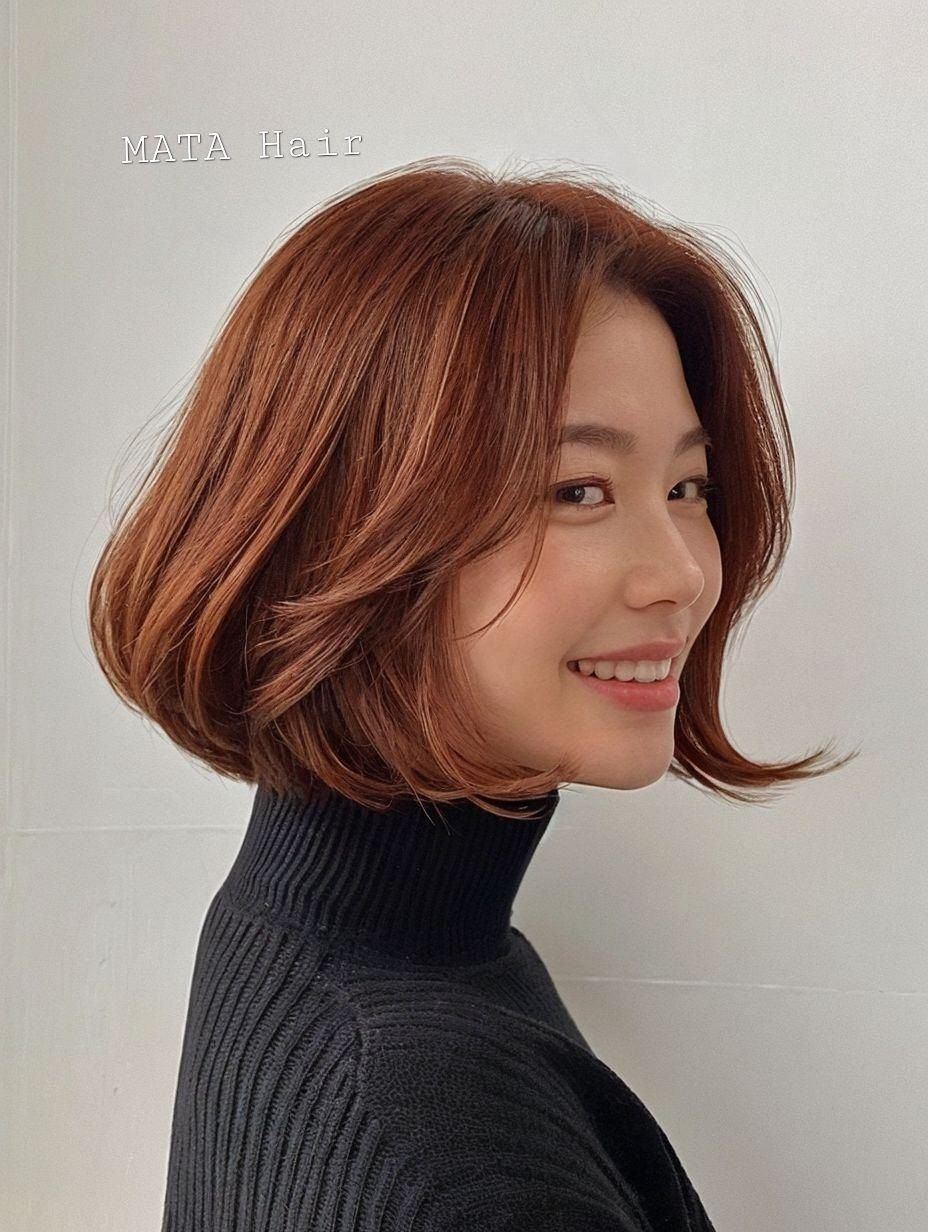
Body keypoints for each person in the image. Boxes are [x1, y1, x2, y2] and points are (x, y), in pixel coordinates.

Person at [88, 155, 858, 1231]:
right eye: (577, 490)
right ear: (348, 527)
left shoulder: (327, 926)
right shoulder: (443, 1147)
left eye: (689, 486)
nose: (682, 571)